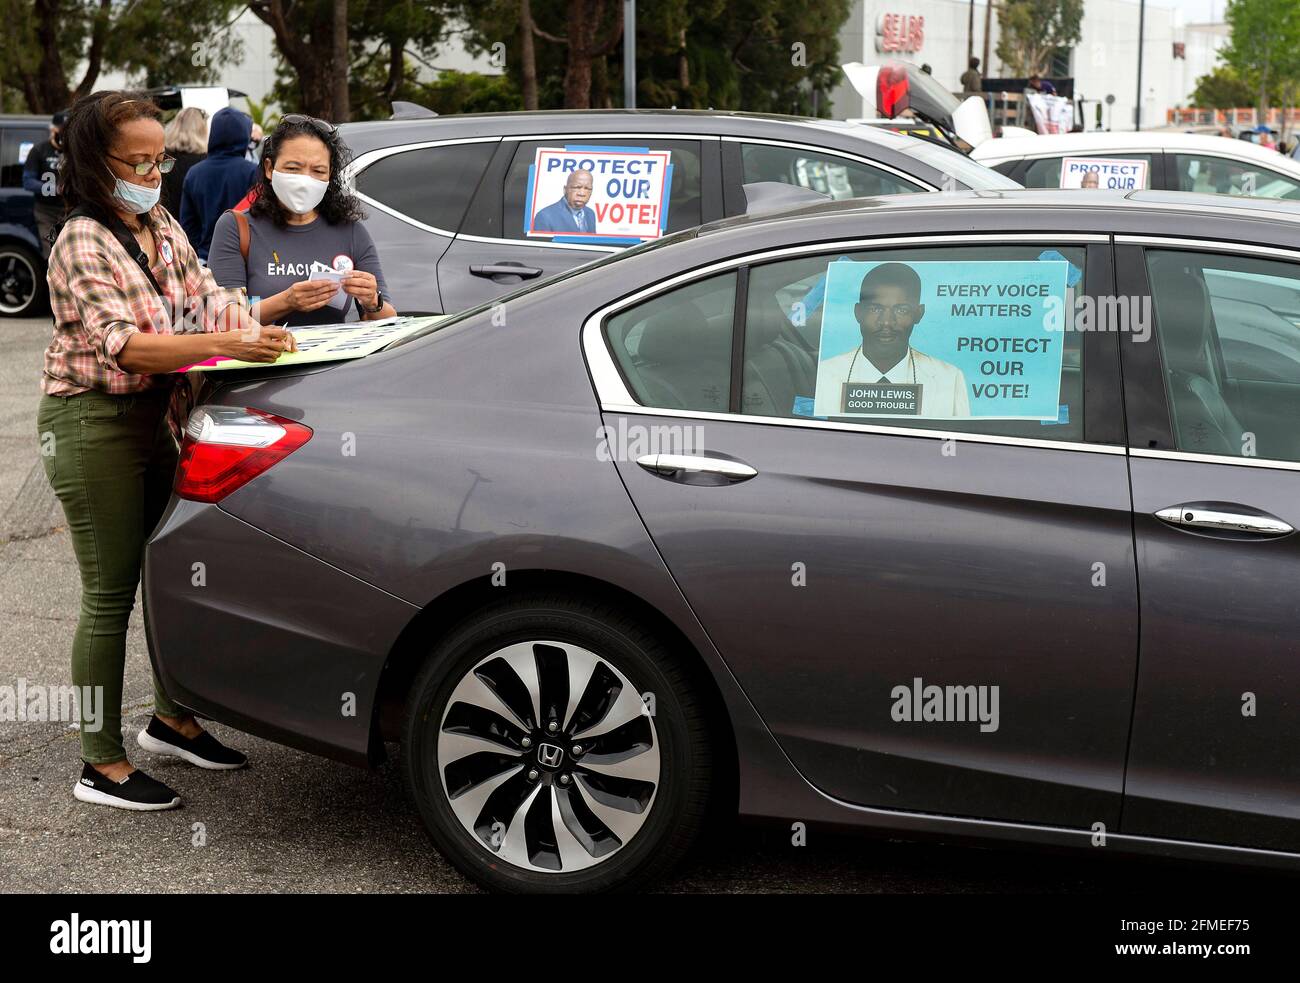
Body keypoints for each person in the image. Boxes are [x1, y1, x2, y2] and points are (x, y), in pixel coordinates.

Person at [37, 90, 296, 811]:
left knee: (170, 572)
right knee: (110, 592)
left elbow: (207, 298)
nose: (153, 173)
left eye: (160, 159)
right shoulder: (81, 240)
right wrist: (228, 340)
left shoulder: (159, 220)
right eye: (137, 161)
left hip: (162, 419)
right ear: (95, 163)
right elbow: (128, 346)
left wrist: (274, 319)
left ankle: (172, 720)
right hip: (94, 422)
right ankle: (100, 762)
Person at [207, 114, 396, 325]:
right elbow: (222, 320)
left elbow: (387, 321)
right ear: (270, 169)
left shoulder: (351, 231)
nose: (305, 180)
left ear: (330, 175)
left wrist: (373, 301)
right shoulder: (236, 228)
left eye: (318, 171)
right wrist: (286, 302)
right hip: (264, 356)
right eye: (293, 168)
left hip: (338, 357)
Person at [814, 262, 970, 418]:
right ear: (858, 312)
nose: (887, 322)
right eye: (875, 309)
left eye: (901, 310)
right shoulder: (824, 375)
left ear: (918, 314)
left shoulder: (949, 379)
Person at [179, 106, 258, 260]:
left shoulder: (194, 173)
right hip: (245, 257)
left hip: (206, 258)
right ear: (244, 135)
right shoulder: (253, 172)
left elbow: (188, 225)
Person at [21, 110, 69, 259]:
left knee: (70, 253)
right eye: (62, 130)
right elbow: (28, 182)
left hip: (69, 210)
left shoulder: (74, 151)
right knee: (52, 254)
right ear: (53, 129)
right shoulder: (39, 150)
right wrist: (54, 189)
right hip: (45, 211)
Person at [160, 107, 207, 219]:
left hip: (166, 222)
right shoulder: (206, 162)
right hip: (193, 228)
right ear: (202, 130)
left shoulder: (163, 157)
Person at [532, 169, 597, 234]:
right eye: (577, 187)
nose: (582, 193)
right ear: (565, 189)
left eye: (587, 188)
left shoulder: (590, 214)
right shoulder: (545, 216)